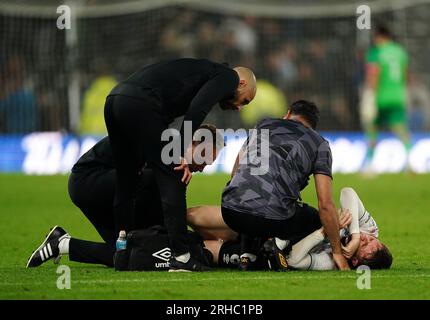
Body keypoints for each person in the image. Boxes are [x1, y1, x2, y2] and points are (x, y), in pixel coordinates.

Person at [104, 58, 256, 272]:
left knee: (126, 179)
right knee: (175, 175)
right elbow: (198, 108)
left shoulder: (202, 71)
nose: (239, 108)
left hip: (115, 99)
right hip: (141, 103)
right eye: (245, 101)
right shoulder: (228, 76)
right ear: (241, 83)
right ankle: (182, 257)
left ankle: (122, 249)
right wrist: (180, 151)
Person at [26, 124, 225, 269]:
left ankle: (61, 243)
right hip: (90, 180)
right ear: (193, 142)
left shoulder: (176, 162)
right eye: (204, 158)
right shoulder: (165, 141)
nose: (202, 167)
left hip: (108, 188)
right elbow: (163, 200)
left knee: (126, 252)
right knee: (150, 236)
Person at [220, 100, 350, 271]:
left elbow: (236, 173)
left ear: (288, 114)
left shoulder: (263, 125)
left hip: (230, 211)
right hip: (272, 218)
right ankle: (280, 243)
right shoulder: (319, 143)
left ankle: (247, 253)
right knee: (318, 219)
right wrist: (337, 252)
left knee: (256, 200)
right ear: (312, 127)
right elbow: (325, 204)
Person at [198, 188, 392, 271]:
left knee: (203, 249)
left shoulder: (331, 263)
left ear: (355, 260)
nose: (368, 238)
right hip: (272, 222)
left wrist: (324, 232)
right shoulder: (367, 230)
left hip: (263, 253)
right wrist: (356, 235)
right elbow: (347, 192)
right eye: (372, 240)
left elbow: (293, 259)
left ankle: (175, 251)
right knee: (194, 216)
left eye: (365, 245)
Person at [362, 24, 410, 171]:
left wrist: (369, 94)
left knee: (371, 128)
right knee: (400, 128)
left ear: (379, 37)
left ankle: (369, 165)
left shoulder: (376, 52)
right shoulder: (400, 52)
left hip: (380, 97)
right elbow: (405, 75)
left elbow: (373, 74)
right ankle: (410, 163)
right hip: (398, 96)